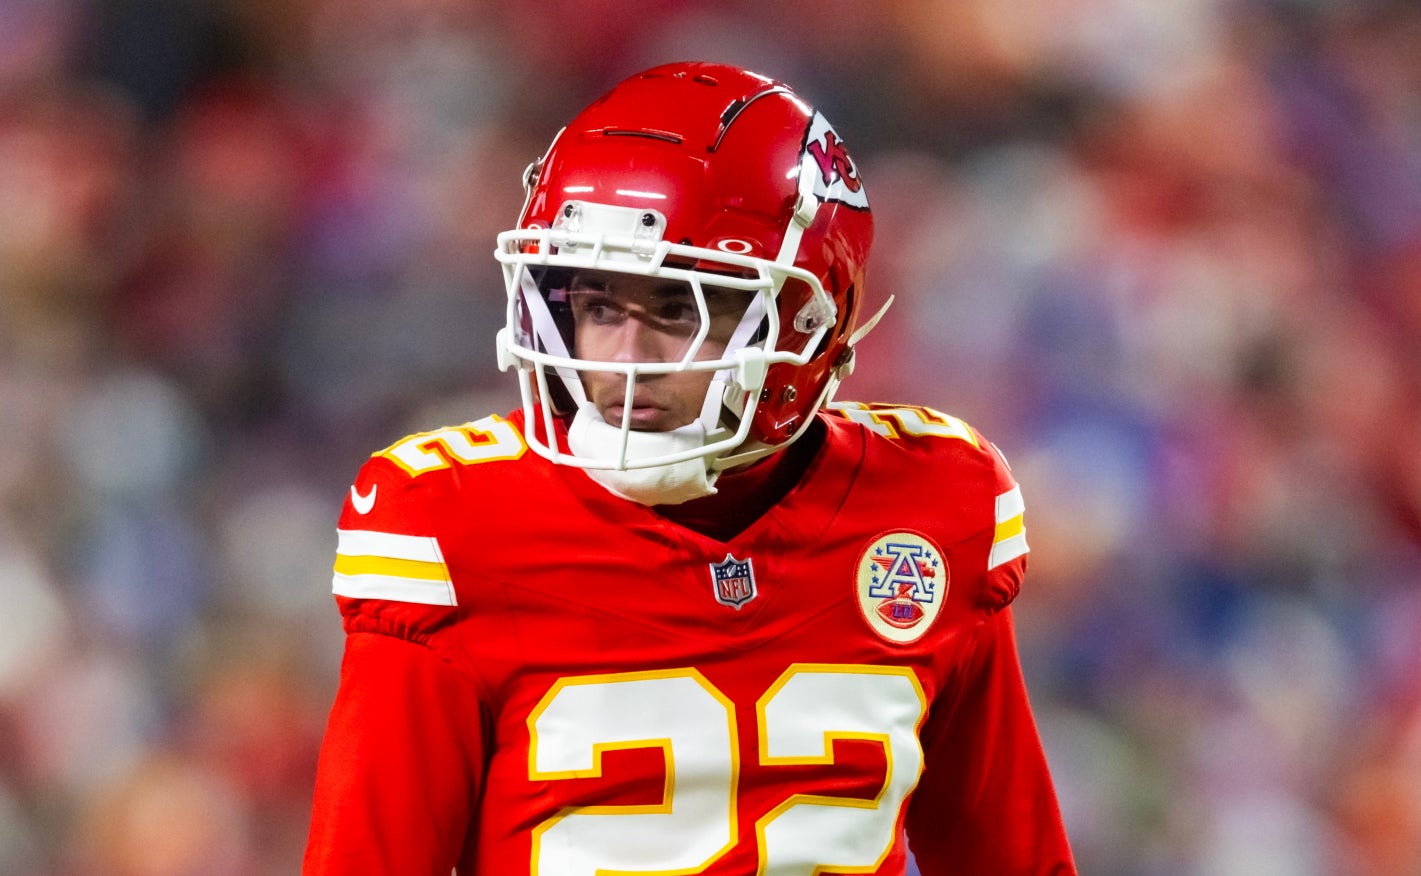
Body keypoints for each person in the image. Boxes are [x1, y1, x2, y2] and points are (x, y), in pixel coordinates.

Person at [303, 61, 1076, 875]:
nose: (622, 360)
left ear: (808, 320)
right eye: (598, 306)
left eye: (679, 309)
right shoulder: (453, 519)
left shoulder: (931, 501)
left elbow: (1011, 859)